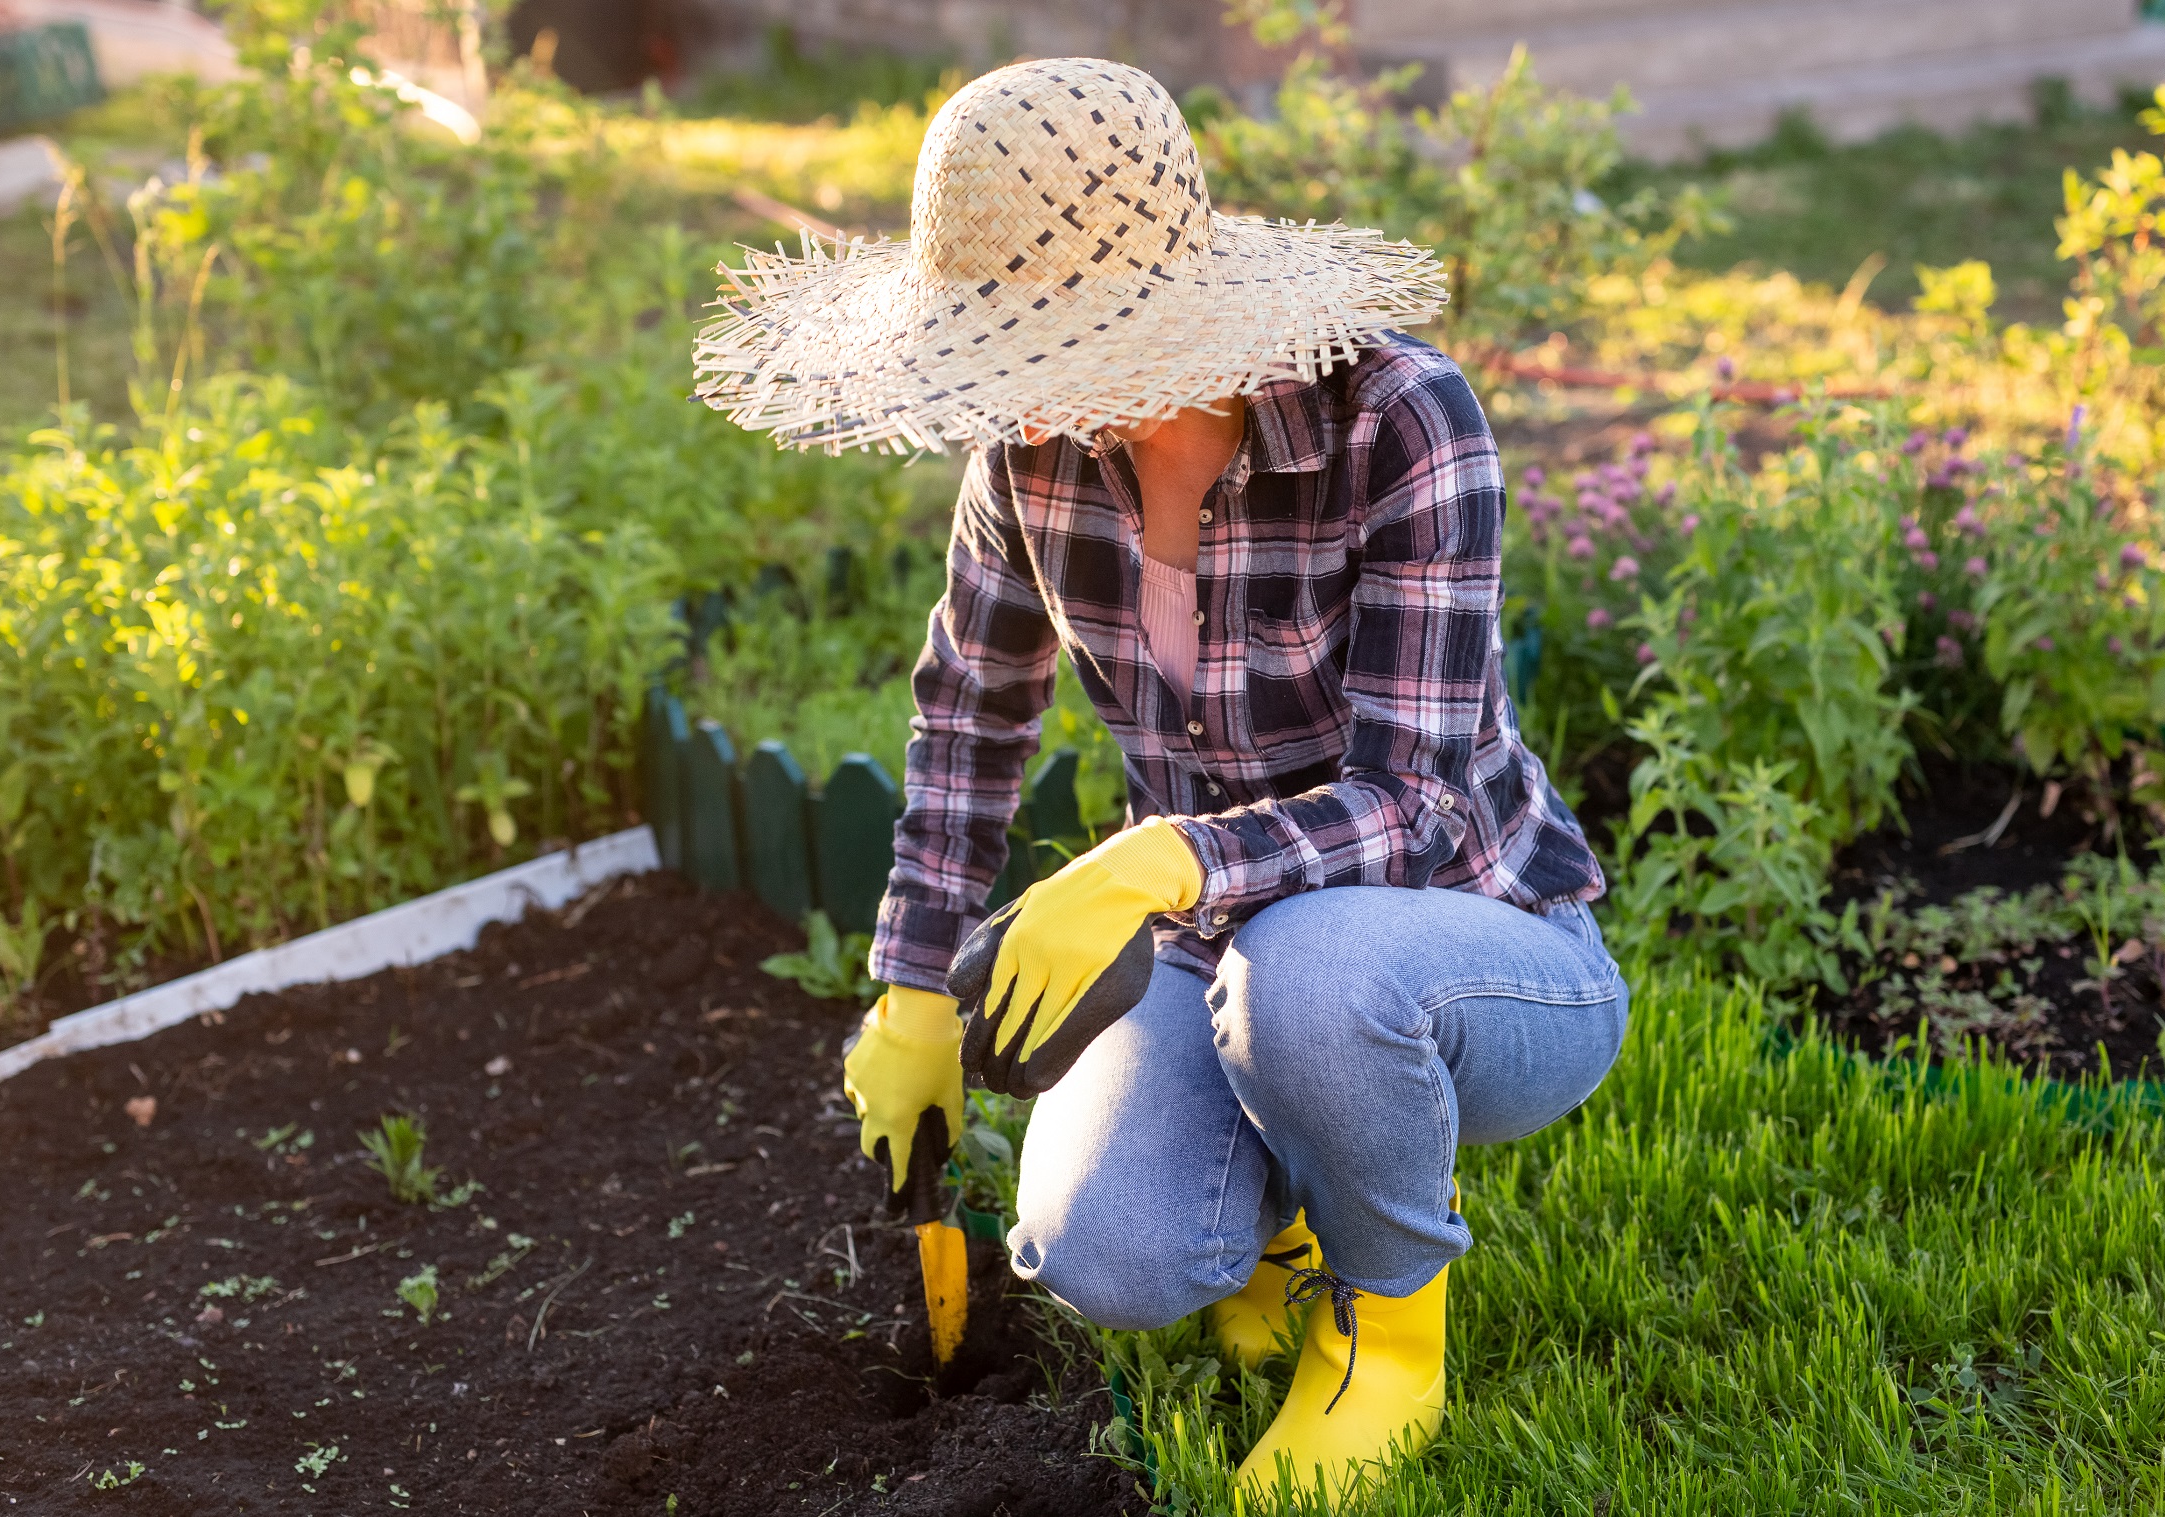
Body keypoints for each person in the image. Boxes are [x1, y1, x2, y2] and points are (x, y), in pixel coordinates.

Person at [694, 56, 1628, 1502]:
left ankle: (1388, 1339)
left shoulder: (1398, 418)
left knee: (1309, 969)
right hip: (1215, 952)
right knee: (1104, 1249)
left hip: (1472, 949)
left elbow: (1417, 805)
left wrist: (1159, 861)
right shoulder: (1033, 454)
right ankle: (1287, 1217)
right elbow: (971, 711)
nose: (1024, 394)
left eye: (1044, 347)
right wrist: (913, 984)